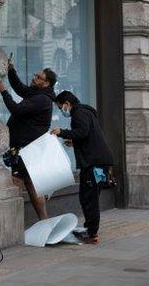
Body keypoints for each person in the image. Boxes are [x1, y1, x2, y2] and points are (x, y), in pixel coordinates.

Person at [0, 60, 56, 221]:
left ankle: (16, 223)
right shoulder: (37, 93)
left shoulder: (42, 99)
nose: (34, 78)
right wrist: (11, 70)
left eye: (38, 77)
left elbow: (16, 109)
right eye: (36, 75)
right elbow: (21, 89)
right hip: (27, 147)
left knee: (19, 180)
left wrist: (3, 91)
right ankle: (44, 221)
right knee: (30, 183)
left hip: (26, 148)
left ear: (47, 83)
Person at [51, 91, 113, 244]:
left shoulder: (79, 113)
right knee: (88, 197)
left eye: (61, 107)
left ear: (67, 103)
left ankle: (92, 234)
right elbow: (87, 135)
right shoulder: (86, 111)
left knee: (89, 198)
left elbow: (83, 132)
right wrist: (75, 142)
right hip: (98, 162)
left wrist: (62, 132)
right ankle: (90, 229)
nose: (62, 110)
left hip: (94, 163)